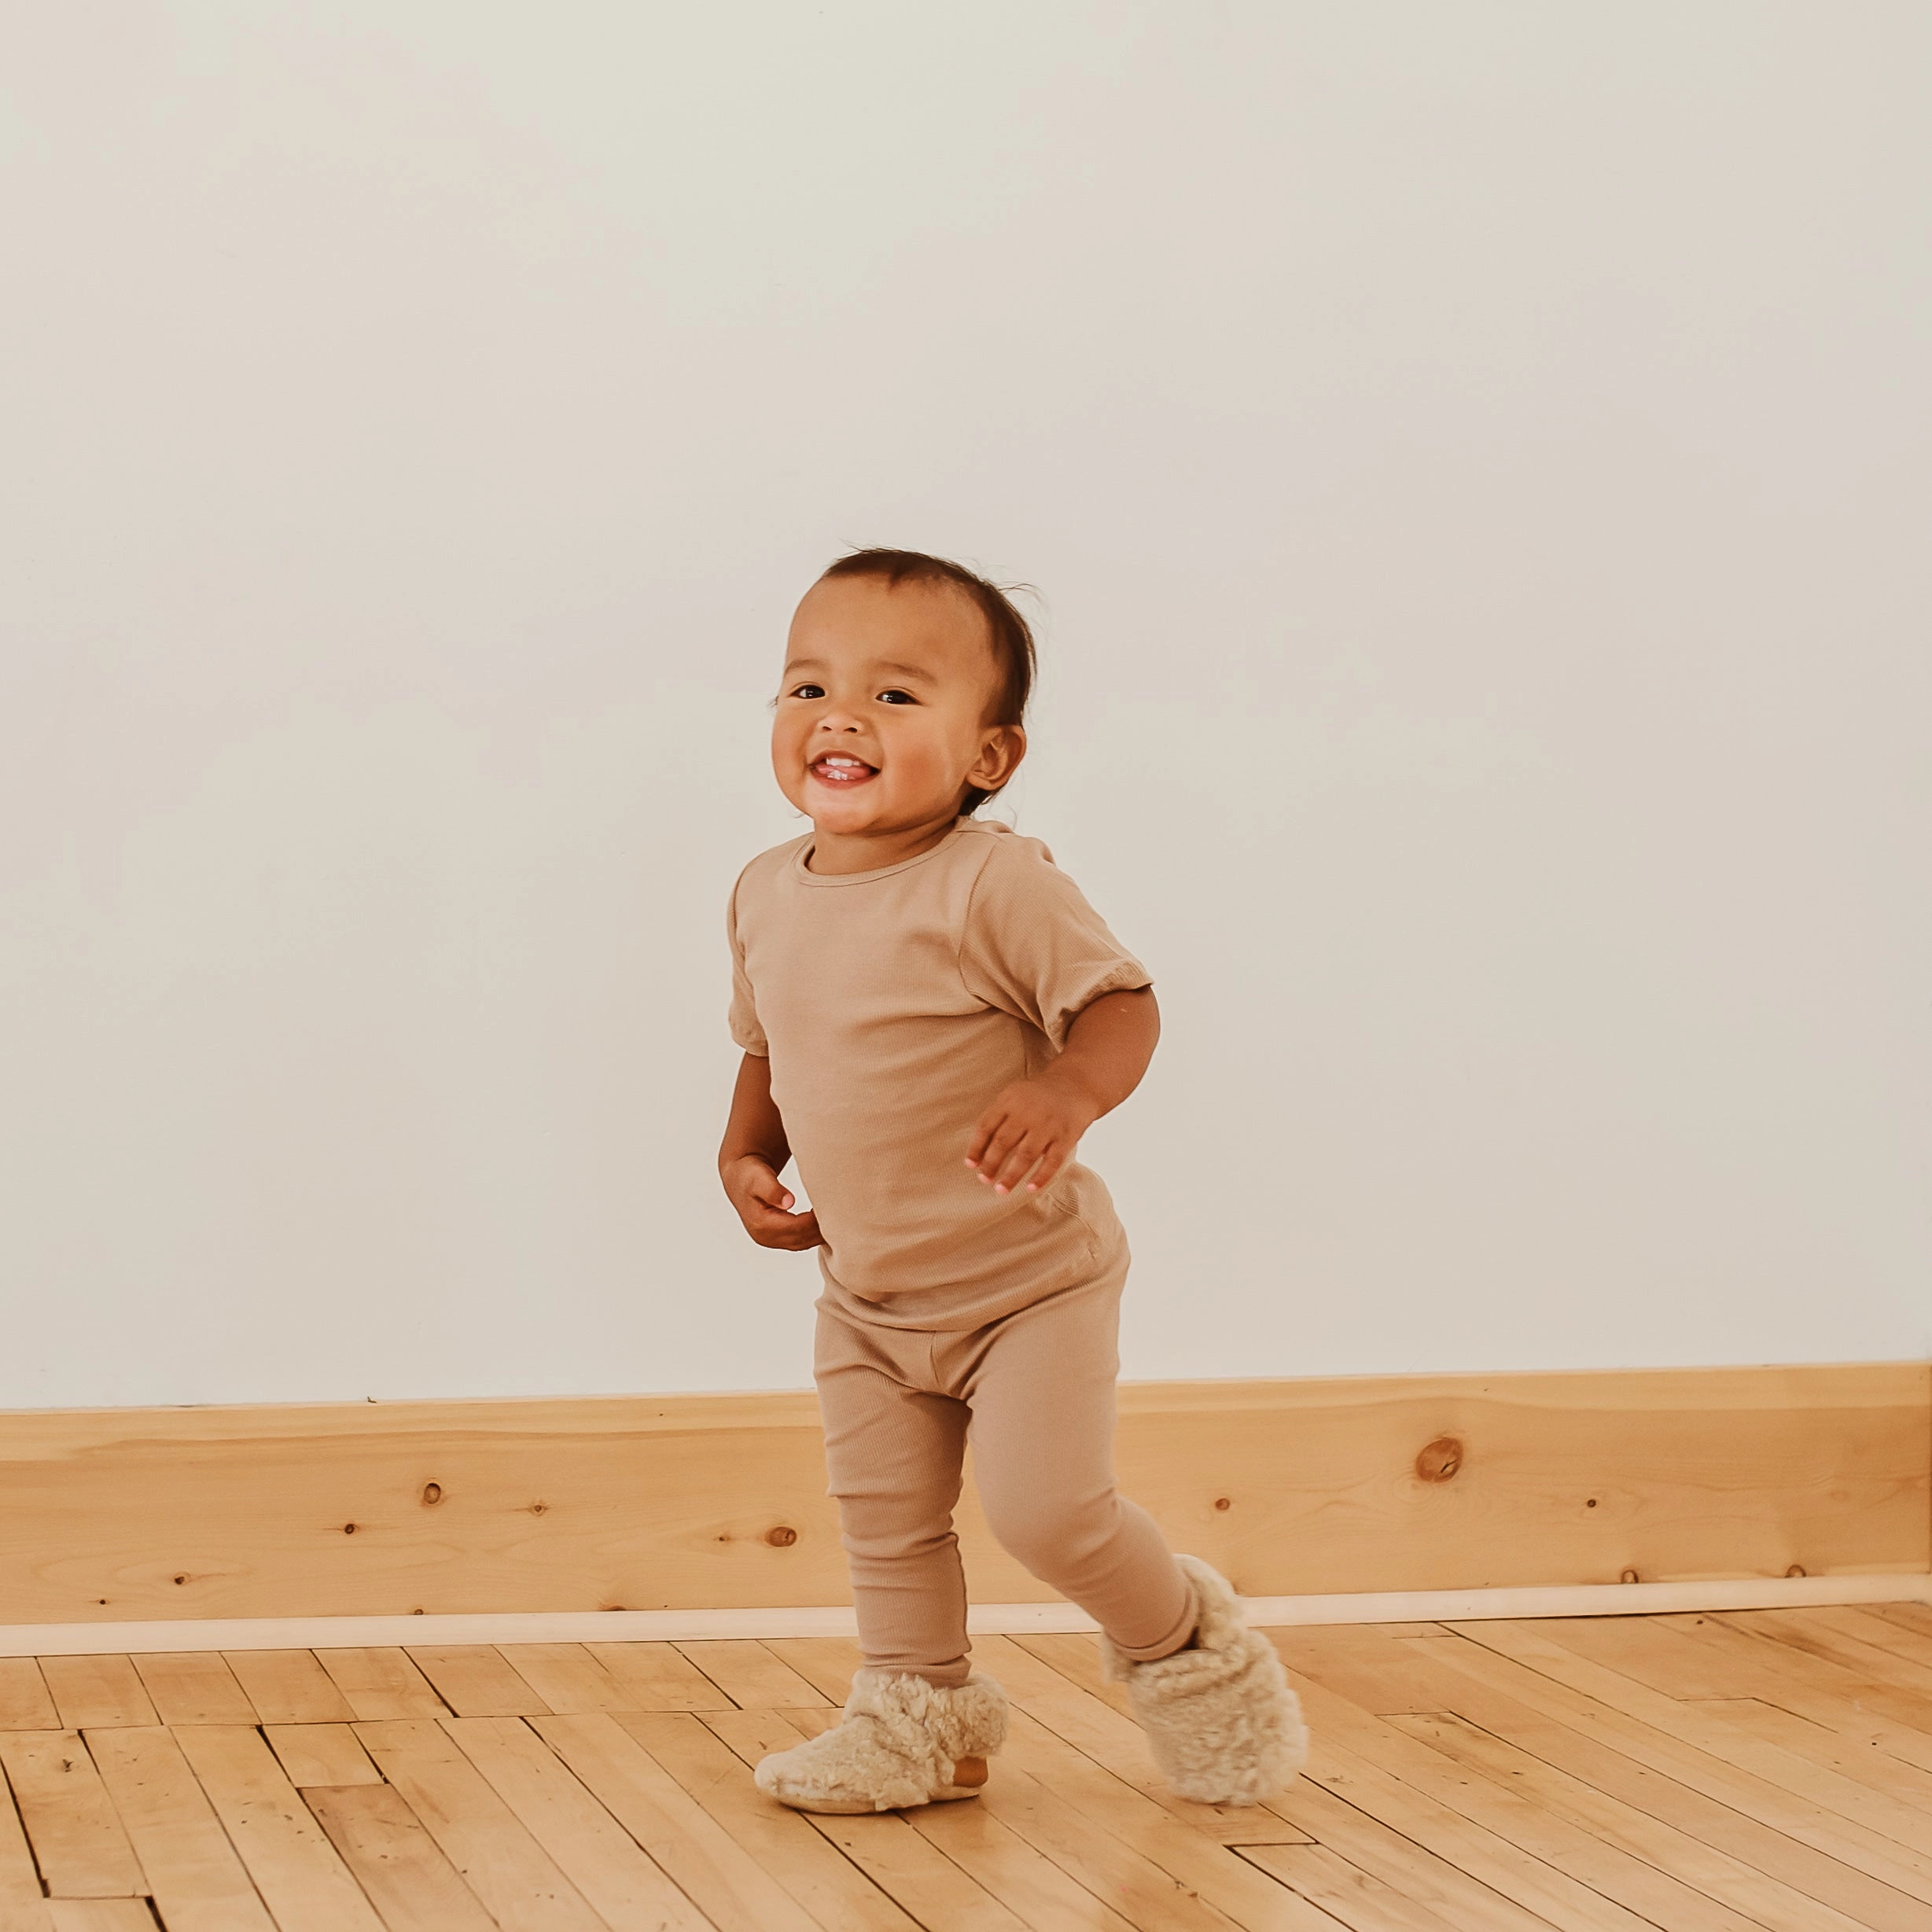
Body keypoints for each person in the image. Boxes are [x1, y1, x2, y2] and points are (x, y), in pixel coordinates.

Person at [718, 548, 1306, 1813]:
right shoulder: (764, 891)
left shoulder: (993, 883)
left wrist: (1068, 1090)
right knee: (886, 1525)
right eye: (809, 686)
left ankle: (1186, 1646)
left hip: (1028, 1287)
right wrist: (744, 1152)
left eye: (893, 695)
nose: (839, 717)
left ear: (991, 755)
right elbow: (769, 1041)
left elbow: (1123, 1005)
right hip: (870, 1298)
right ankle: (917, 1720)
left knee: (1047, 1516)